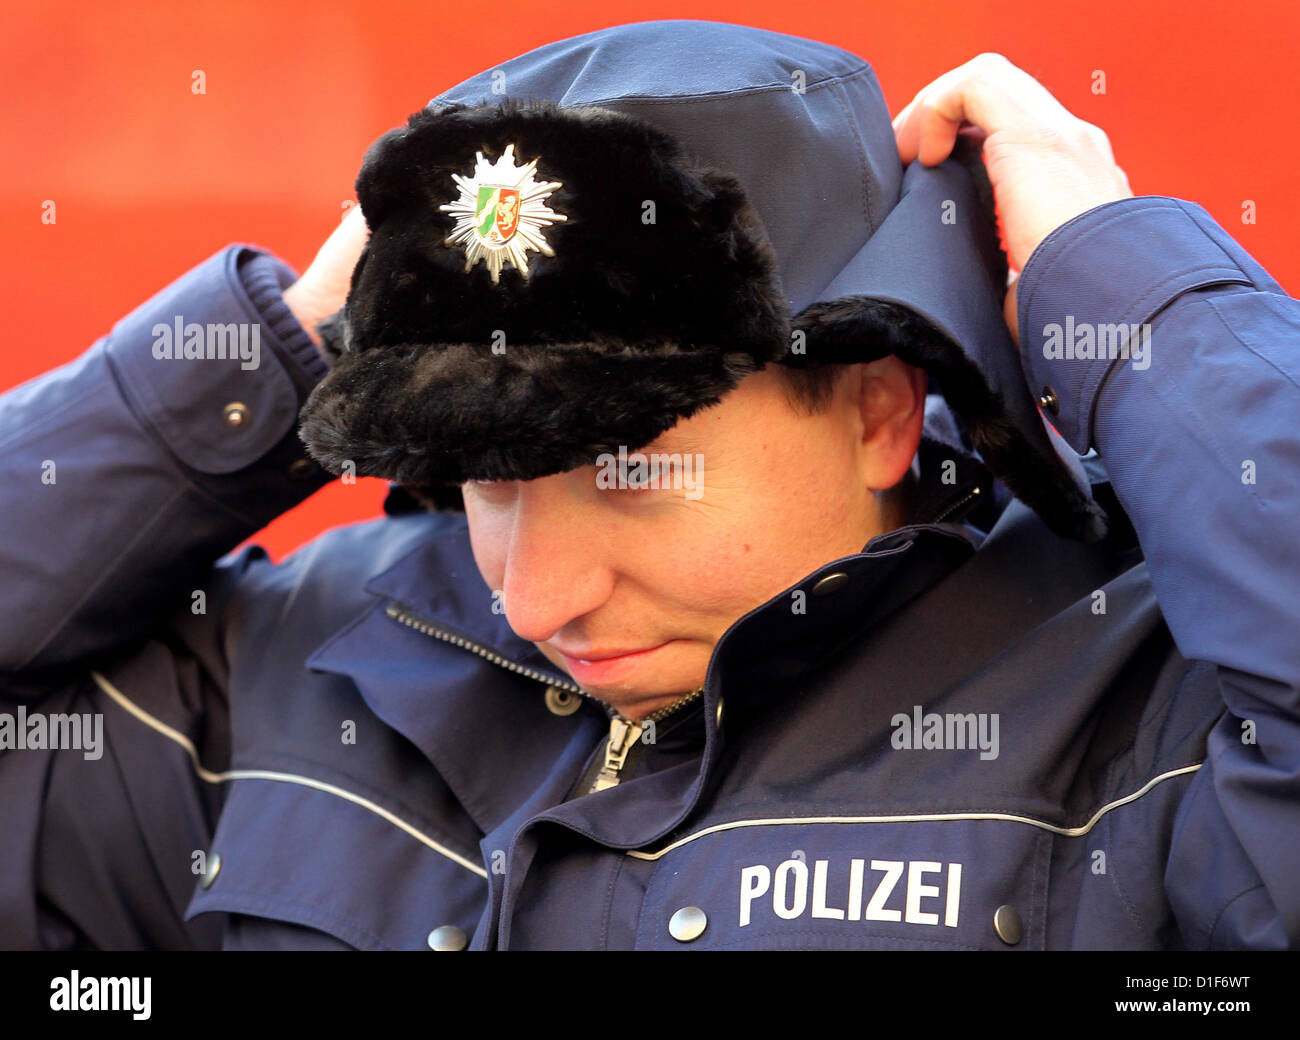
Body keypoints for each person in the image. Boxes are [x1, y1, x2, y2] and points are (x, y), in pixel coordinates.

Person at [0, 20, 1295, 952]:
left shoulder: (1142, 707)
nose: (533, 598)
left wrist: (1124, 289)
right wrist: (281, 347)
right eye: (485, 474)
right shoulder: (293, 667)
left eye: (629, 472)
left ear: (878, 412)